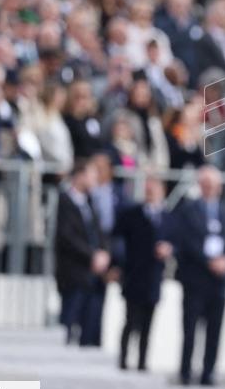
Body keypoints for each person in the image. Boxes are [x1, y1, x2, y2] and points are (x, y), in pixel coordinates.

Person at [171, 164, 225, 386]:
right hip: (195, 278)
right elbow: (185, 241)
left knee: (215, 329)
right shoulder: (188, 209)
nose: (210, 188)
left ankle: (208, 372)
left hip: (219, 281)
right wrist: (208, 261)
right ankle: (186, 371)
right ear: (200, 186)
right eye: (206, 184)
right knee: (190, 328)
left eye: (213, 185)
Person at [112, 174, 172, 372]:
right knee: (130, 320)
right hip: (134, 275)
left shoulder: (166, 217)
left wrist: (169, 249)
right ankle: (123, 358)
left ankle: (142, 361)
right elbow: (118, 239)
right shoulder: (132, 214)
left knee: (148, 322)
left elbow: (176, 241)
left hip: (154, 276)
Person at [54, 159, 110, 347]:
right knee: (69, 320)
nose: (95, 178)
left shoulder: (90, 202)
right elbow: (67, 236)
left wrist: (103, 253)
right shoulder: (65, 200)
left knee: (90, 322)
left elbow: (98, 231)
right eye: (91, 174)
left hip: (92, 273)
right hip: (73, 271)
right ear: (80, 176)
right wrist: (91, 255)